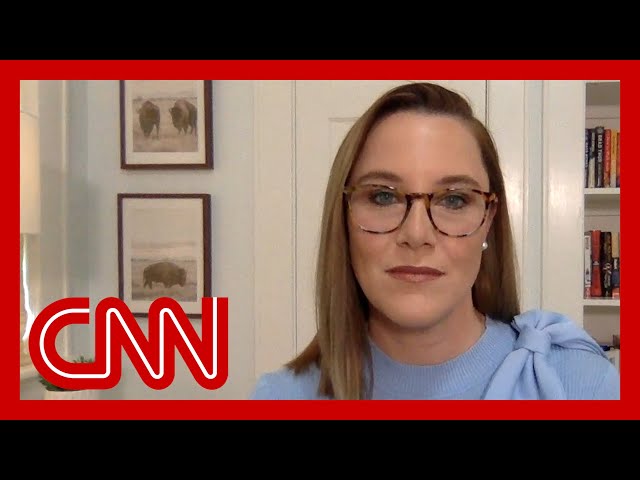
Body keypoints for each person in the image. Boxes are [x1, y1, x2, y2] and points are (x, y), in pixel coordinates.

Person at [249, 81, 620, 400]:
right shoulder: (278, 397)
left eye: (454, 200)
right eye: (383, 196)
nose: (416, 235)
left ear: (488, 221)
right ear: (343, 218)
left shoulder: (584, 385)